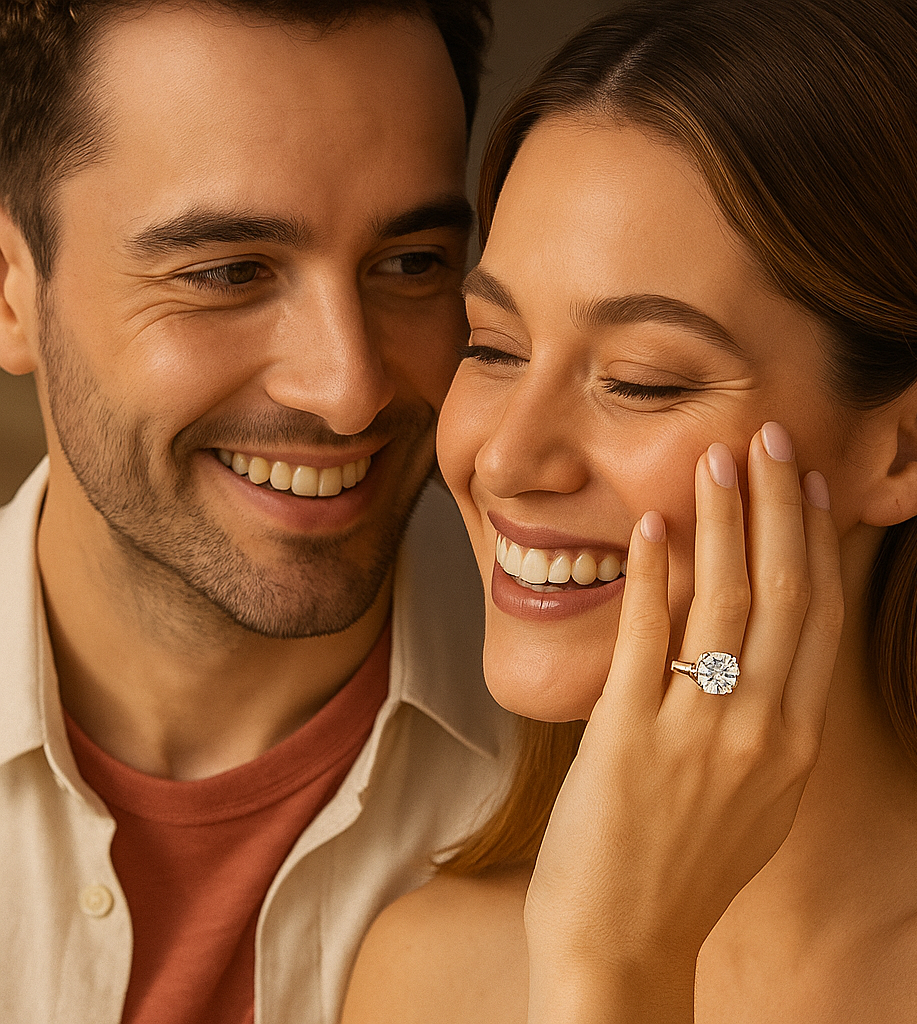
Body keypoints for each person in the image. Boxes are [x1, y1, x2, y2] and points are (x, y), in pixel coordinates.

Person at [339, 0, 917, 1020]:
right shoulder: (429, 972)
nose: (507, 458)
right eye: (493, 347)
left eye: (642, 380)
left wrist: (619, 969)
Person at [0, 1, 519, 1021]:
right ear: (11, 291)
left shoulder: (637, 747)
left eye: (410, 263)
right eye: (229, 273)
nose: (349, 388)